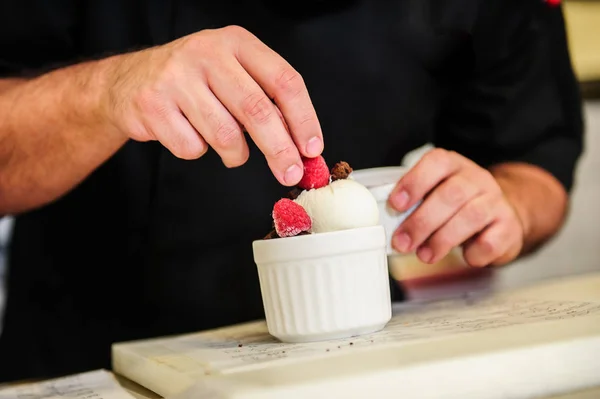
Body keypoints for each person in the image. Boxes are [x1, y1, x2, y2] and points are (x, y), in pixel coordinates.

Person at [0, 0, 583, 382]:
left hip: (364, 367)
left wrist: (503, 205)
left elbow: (533, 164)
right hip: (90, 363)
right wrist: (107, 90)